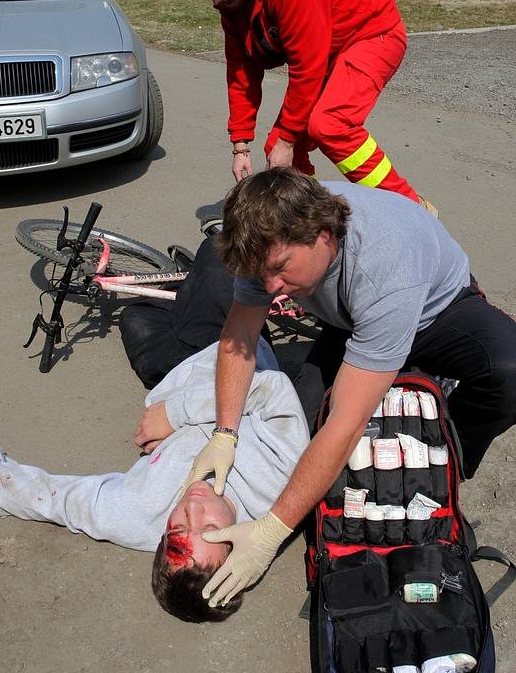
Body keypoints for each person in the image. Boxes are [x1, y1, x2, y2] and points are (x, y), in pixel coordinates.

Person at [182, 168, 516, 608]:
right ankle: (381, 367)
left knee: (508, 372)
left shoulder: (383, 265)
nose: (271, 288)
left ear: (323, 234)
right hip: (351, 316)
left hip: (435, 312)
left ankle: (449, 463)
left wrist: (269, 534)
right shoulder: (267, 242)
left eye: (280, 271)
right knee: (302, 439)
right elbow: (240, 333)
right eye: (262, 277)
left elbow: (346, 419)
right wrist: (224, 434)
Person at [0, 339, 309, 623]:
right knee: (221, 273)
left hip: (173, 378)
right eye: (210, 527)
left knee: (137, 321)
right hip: (240, 352)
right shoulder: (277, 484)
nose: (192, 506)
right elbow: (270, 389)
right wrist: (197, 423)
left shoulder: (136, 514)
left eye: (178, 525)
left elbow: (55, 500)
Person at [192, 0, 430, 210]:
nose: (215, 1)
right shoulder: (234, 2)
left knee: (330, 125)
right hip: (328, 51)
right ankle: (309, 215)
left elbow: (307, 69)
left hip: (373, 35)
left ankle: (411, 209)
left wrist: (288, 138)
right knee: (277, 148)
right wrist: (240, 145)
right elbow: (241, 72)